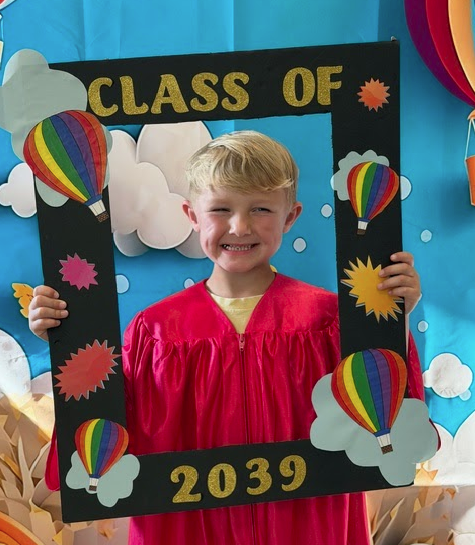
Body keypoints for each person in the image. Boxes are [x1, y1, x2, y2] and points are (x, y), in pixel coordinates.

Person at [29, 131, 423, 545]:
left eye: (261, 208)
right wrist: (64, 341)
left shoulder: (328, 322)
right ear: (192, 214)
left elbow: (390, 422)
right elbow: (107, 431)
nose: (240, 226)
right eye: (220, 209)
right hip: (187, 530)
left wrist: (395, 321)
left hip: (308, 524)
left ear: (290, 217)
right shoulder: (155, 332)